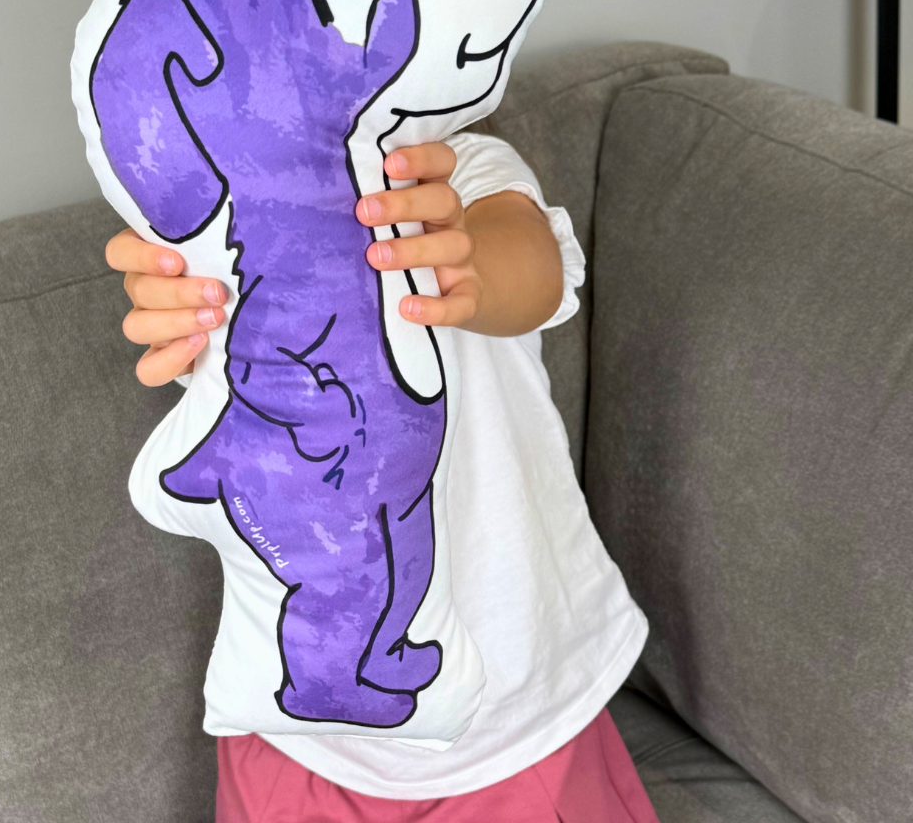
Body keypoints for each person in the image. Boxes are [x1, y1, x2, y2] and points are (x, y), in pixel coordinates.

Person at [105, 130, 659, 823]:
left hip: (514, 726)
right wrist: (175, 309)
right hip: (296, 736)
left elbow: (533, 269)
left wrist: (471, 267)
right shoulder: (218, 212)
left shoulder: (453, 173)